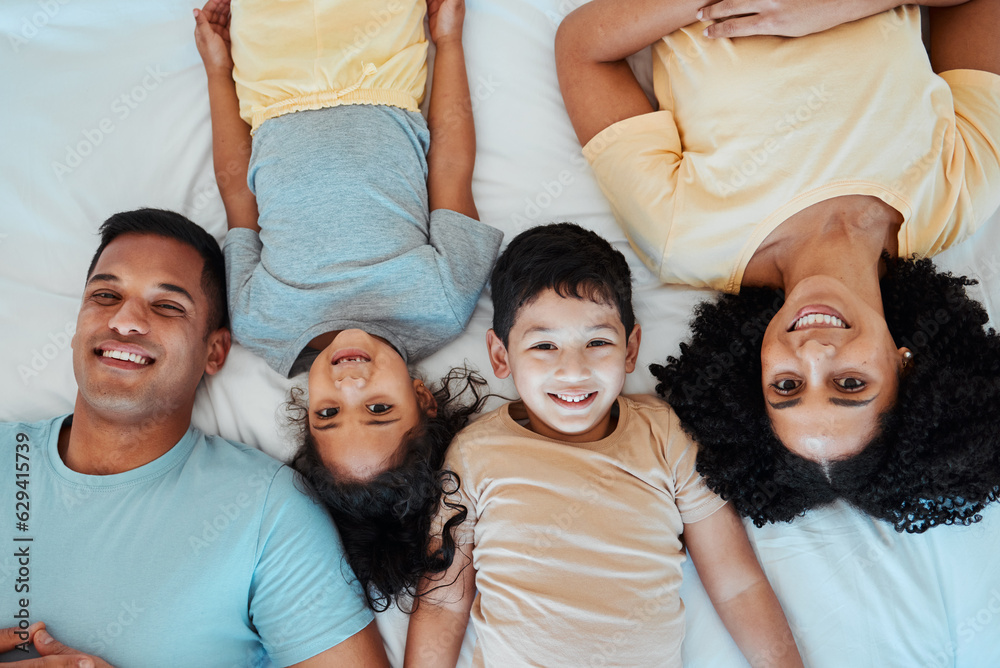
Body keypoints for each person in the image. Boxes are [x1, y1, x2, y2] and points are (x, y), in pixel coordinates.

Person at [556, 0, 1000, 532]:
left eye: (786, 387)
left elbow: (582, 49)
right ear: (905, 363)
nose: (812, 354)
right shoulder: (961, 196)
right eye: (851, 383)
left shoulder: (684, 237)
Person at [193, 0, 503, 610]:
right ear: (424, 398)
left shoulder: (260, 322)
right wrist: (449, 43)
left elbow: (237, 187)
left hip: (271, 82)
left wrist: (217, 72)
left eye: (329, 413)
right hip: (380, 63)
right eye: (379, 407)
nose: (350, 380)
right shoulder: (441, 305)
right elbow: (450, 164)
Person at [0, 209, 388, 667]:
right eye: (105, 295)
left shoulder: (270, 513)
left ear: (215, 351)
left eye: (167, 306)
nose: (124, 320)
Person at [403, 223, 803, 667]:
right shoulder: (474, 451)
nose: (573, 370)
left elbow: (735, 583)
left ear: (631, 349)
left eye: (597, 342)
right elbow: (441, 601)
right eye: (544, 345)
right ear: (501, 356)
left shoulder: (663, 434)